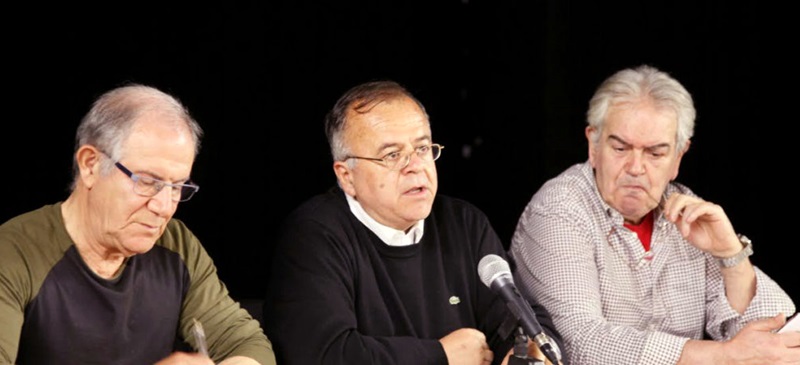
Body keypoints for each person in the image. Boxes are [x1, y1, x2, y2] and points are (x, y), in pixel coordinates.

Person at [508, 65, 800, 364]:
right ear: (593, 146)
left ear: (678, 157)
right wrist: (722, 356)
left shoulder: (688, 209)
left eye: (655, 153)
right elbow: (578, 344)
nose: (636, 168)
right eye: (620, 148)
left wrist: (731, 255)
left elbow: (778, 339)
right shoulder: (558, 210)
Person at [263, 80, 565, 365]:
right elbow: (325, 354)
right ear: (346, 176)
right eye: (392, 155)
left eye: (422, 149)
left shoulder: (464, 224)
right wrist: (439, 356)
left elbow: (522, 322)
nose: (416, 167)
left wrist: (530, 354)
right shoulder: (315, 235)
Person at [0, 84, 277, 365]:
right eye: (148, 182)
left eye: (177, 187)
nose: (164, 207)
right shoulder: (12, 254)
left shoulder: (177, 246)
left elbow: (248, 344)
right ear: (90, 165)